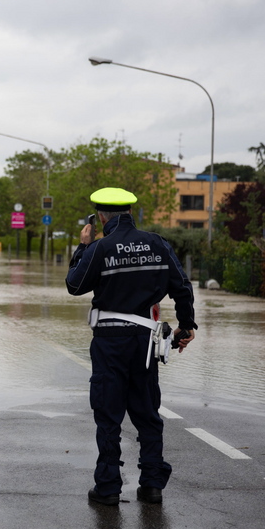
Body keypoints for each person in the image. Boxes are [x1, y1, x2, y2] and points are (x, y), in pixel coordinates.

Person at [65, 187, 197, 506]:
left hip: (110, 342)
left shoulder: (100, 247)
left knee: (108, 414)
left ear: (100, 216)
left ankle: (108, 487)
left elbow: (74, 285)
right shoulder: (158, 243)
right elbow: (182, 287)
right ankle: (152, 484)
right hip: (145, 341)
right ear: (130, 212)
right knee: (147, 412)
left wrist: (82, 248)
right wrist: (186, 326)